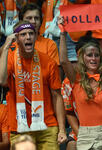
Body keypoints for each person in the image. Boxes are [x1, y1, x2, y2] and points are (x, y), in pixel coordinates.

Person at [58, 11, 102, 149]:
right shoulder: (75, 79)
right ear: (82, 57)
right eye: (89, 55)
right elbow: (64, 61)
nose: (93, 58)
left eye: (96, 55)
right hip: (85, 135)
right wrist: (63, 33)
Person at [0, 20, 67, 149]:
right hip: (19, 126)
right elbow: (2, 81)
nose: (28, 37)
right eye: (23, 34)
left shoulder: (48, 62)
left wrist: (62, 129)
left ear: (36, 37)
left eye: (31, 33)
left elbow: (57, 97)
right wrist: (7, 46)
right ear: (16, 38)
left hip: (47, 125)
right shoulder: (9, 59)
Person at [62, 75, 102, 150]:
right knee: (72, 145)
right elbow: (69, 112)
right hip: (82, 128)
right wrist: (81, 135)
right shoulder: (68, 81)